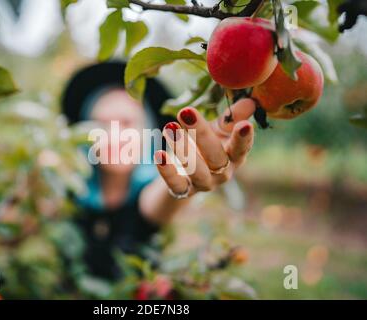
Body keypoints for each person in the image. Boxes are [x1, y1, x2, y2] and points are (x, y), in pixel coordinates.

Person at [61, 62, 255, 280]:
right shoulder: (64, 189)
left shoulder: (150, 194)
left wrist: (190, 169)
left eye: (127, 123)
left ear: (147, 132)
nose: (115, 135)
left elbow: (166, 192)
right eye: (101, 123)